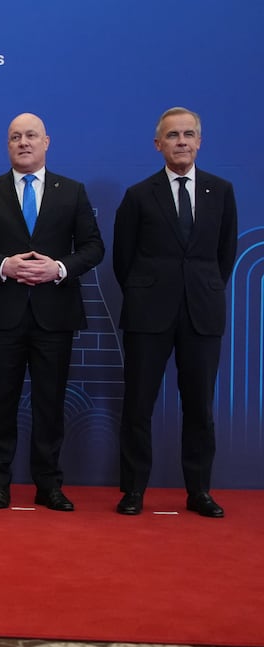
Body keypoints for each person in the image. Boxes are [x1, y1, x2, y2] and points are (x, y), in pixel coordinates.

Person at [0, 113, 104, 511]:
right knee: (0, 402)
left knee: (50, 404)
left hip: (55, 313)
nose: (23, 142)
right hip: (3, 313)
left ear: (46, 142)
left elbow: (93, 247)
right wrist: (5, 265)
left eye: (31, 136)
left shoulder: (72, 191)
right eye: (15, 137)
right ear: (8, 145)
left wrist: (58, 268)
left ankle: (49, 484)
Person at [113, 107, 237, 518]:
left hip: (201, 313)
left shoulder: (220, 191)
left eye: (188, 134)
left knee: (200, 407)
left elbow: (224, 255)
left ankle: (199, 491)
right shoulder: (138, 195)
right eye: (172, 135)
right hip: (149, 315)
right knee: (138, 406)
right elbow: (124, 260)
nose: (181, 141)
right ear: (158, 144)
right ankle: (133, 491)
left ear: (199, 141)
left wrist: (200, 287)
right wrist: (149, 291)